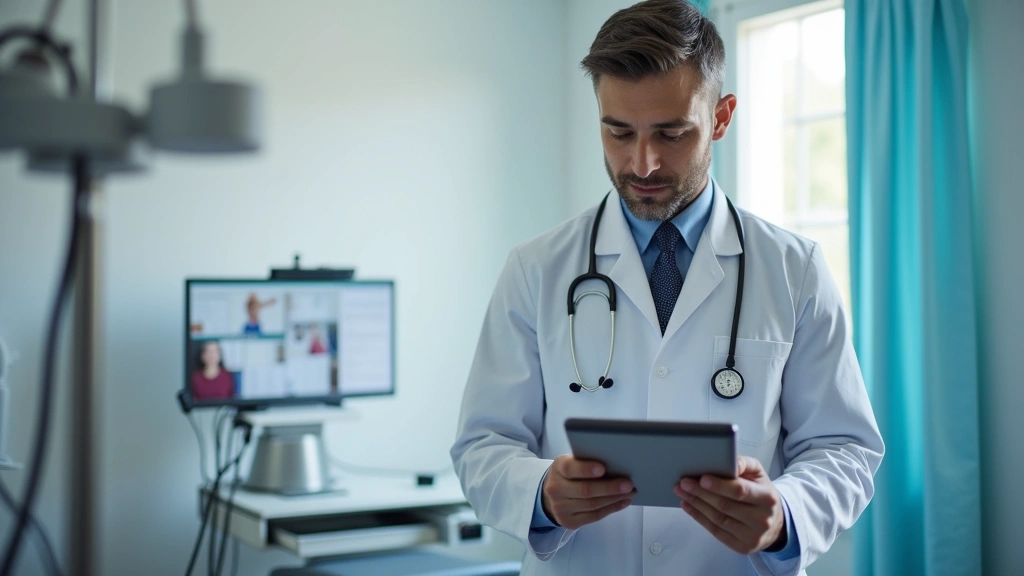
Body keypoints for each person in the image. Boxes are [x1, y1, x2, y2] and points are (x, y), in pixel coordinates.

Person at [450, 1, 884, 575]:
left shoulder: (794, 268)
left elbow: (844, 448)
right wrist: (541, 494)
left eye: (671, 133)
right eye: (618, 132)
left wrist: (784, 514)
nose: (643, 164)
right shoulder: (536, 269)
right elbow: (483, 444)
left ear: (721, 118)